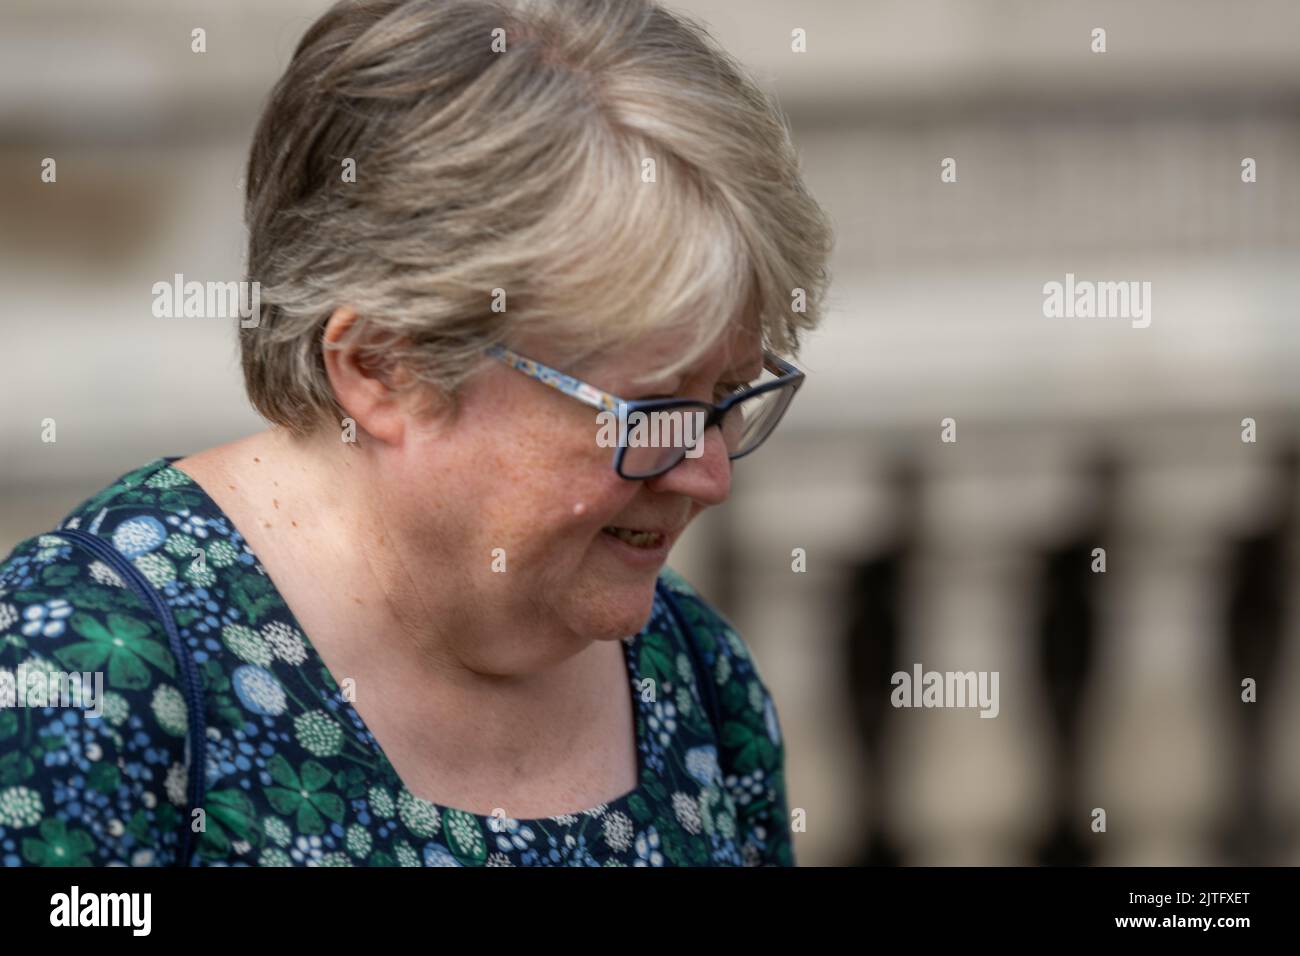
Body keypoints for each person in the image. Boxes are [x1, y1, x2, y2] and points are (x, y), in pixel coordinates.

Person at [0, 0, 832, 866]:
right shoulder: (86, 675)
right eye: (652, 410)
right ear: (382, 368)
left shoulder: (693, 671)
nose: (709, 477)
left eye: (729, 395)